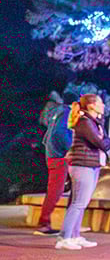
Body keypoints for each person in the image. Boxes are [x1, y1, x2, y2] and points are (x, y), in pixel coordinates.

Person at [58, 94, 110, 250]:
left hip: (91, 164)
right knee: (78, 203)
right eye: (100, 103)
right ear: (91, 105)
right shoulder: (85, 122)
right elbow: (101, 142)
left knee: (81, 202)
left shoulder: (95, 122)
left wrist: (105, 140)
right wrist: (106, 142)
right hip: (83, 165)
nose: (103, 105)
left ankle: (75, 236)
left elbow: (104, 141)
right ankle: (64, 237)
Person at [34, 97, 75, 236]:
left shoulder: (58, 111)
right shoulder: (67, 112)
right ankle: (44, 224)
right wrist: (70, 148)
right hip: (59, 157)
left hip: (54, 155)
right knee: (55, 191)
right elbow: (59, 132)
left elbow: (49, 134)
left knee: (59, 189)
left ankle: (71, 223)